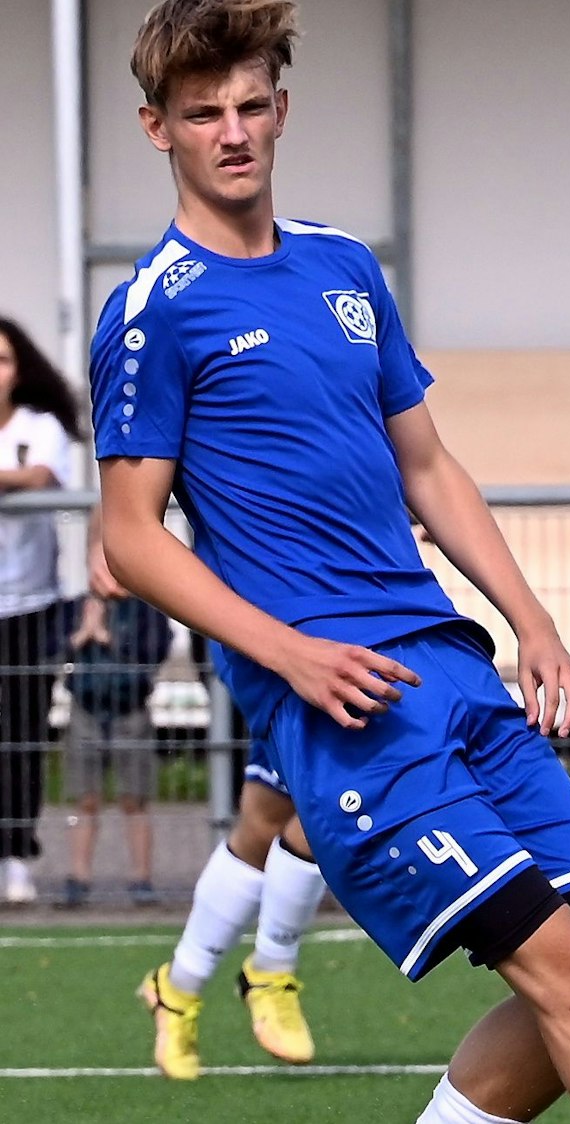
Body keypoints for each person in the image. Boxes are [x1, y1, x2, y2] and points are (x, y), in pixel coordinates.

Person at [92, 4, 570, 1121]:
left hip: (456, 668)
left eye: (249, 106)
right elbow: (130, 536)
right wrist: (293, 656)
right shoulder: (151, 314)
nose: (231, 132)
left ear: (280, 110)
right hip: (347, 702)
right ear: (159, 130)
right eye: (202, 115)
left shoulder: (343, 265)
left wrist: (535, 624)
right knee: (567, 973)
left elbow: (429, 467)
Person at [64, 507, 329, 1079]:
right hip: (266, 619)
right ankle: (270, 970)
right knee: (332, 798)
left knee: (263, 823)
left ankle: (176, 991)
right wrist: (101, 541)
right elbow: (129, 473)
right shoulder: (214, 416)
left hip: (342, 614)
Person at [0, 317, 85, 906]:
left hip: (28, 604)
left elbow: (43, 474)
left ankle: (16, 856)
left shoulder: (40, 425)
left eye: (3, 360)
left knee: (22, 736)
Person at [57, 541, 174, 909]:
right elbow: (51, 649)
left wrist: (110, 639)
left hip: (129, 710)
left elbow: (154, 654)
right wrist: (83, 634)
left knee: (134, 799)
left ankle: (141, 877)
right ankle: (78, 877)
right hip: (86, 708)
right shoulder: (76, 607)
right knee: (85, 798)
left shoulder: (146, 610)